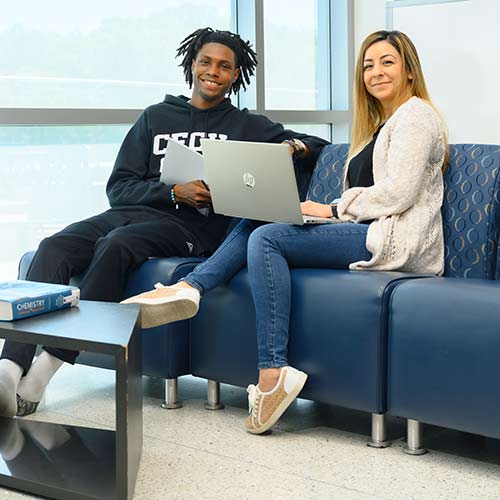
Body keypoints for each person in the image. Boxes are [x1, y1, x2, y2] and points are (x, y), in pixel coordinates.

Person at [123, 30, 448, 435]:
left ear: (409, 71)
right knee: (259, 213)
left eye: (387, 62)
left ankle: (267, 368)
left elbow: (398, 194)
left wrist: (328, 208)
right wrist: (325, 213)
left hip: (398, 242)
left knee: (267, 236)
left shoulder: (416, 117)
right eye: (368, 65)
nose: (376, 72)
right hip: (363, 230)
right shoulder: (383, 125)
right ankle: (193, 292)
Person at [0, 27, 329, 418]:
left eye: (225, 67)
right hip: (133, 211)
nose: (214, 71)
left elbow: (317, 145)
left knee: (119, 244)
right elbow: (119, 187)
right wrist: (173, 192)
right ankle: (9, 367)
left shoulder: (248, 126)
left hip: (193, 230)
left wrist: (291, 146)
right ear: (192, 65)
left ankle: (42, 372)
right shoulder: (156, 116)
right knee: (52, 247)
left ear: (236, 76)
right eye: (206, 62)